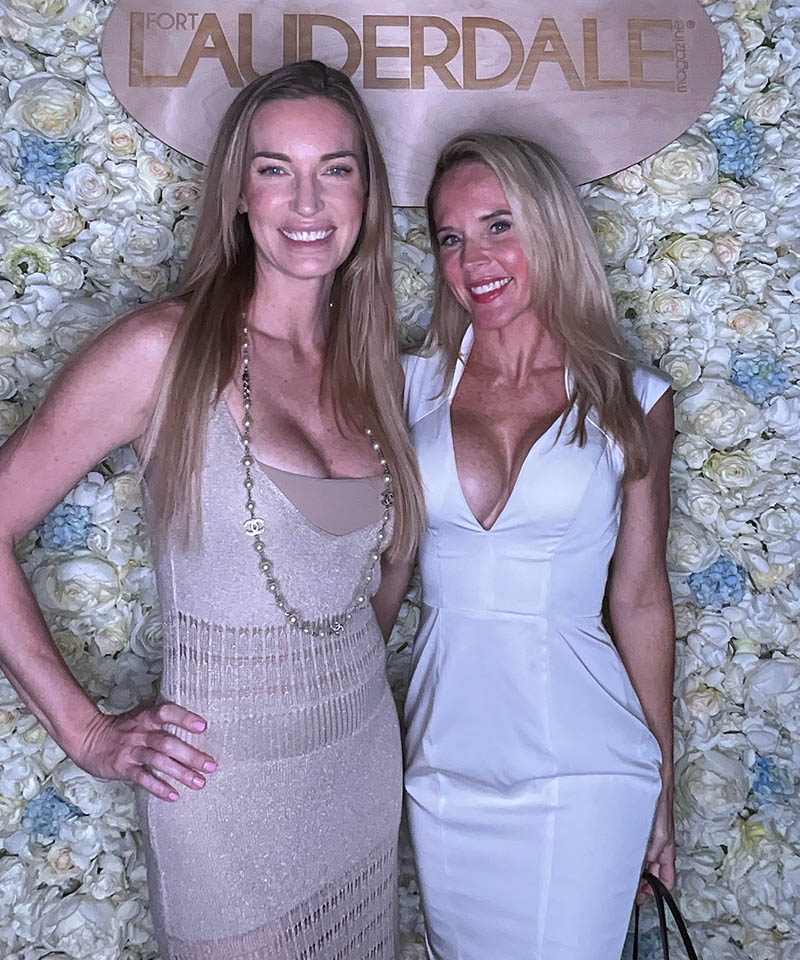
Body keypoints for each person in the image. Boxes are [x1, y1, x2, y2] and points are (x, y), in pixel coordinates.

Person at [0, 61, 424, 960]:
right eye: (275, 169)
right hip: (221, 791)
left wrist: (321, 677)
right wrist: (86, 733)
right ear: (237, 191)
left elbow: (379, 573)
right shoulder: (162, 351)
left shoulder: (373, 364)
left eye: (335, 168)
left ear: (367, 192)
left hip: (358, 765)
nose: (307, 200)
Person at [401, 133, 676, 960]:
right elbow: (375, 568)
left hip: (586, 767)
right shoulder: (406, 385)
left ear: (551, 227)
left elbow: (639, 596)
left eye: (499, 225)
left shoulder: (633, 398)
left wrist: (663, 787)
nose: (473, 260)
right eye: (450, 238)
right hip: (442, 763)